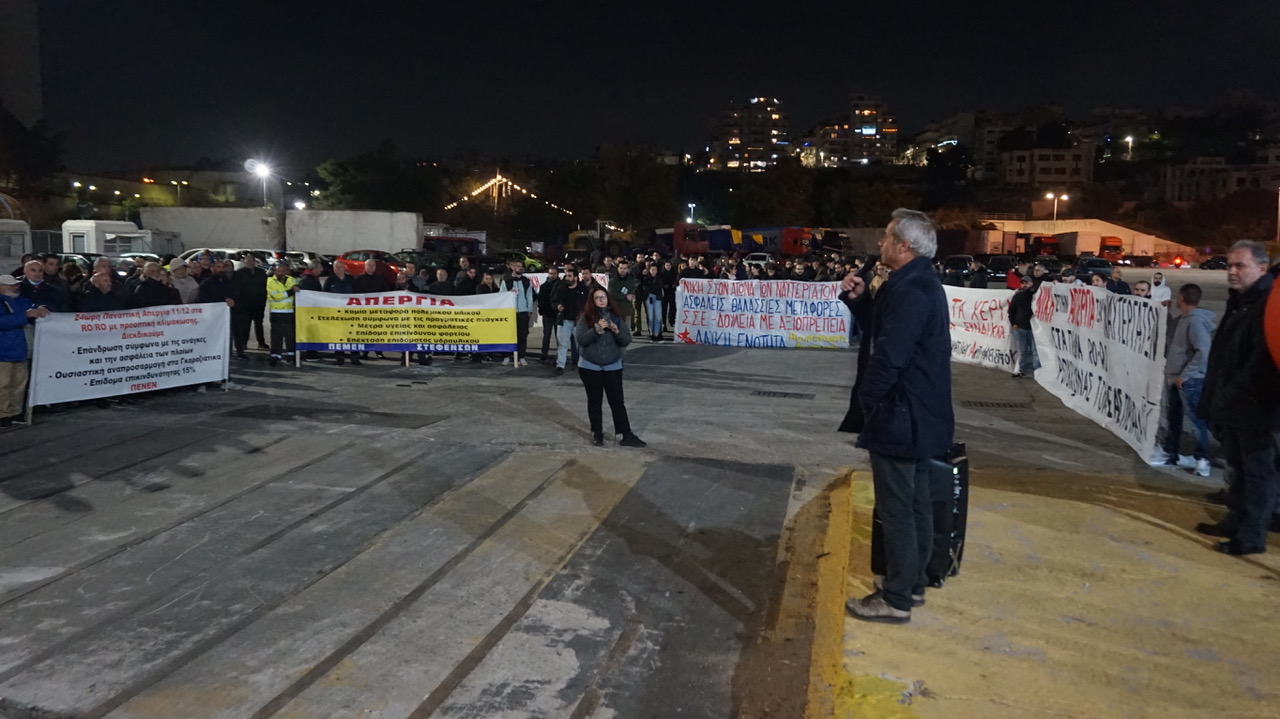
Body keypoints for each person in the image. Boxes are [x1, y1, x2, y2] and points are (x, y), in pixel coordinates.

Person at [840, 209, 954, 624]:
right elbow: (882, 328)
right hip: (919, 414)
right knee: (916, 502)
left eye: (887, 237)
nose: (881, 243)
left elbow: (890, 355)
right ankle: (913, 582)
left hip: (902, 415)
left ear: (904, 246)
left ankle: (896, 597)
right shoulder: (914, 282)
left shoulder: (911, 290)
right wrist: (859, 300)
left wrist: (870, 401)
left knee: (897, 509)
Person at [1195, 240, 1279, 555]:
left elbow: (1263, 363)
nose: (1232, 271)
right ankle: (1234, 521)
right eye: (1229, 265)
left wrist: (1233, 394)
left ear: (1262, 268)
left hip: (1256, 407)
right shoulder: (1241, 301)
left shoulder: (1268, 306)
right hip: (1233, 403)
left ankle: (1252, 536)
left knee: (1258, 473)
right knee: (1238, 468)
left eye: (1240, 265)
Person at [1154, 283, 1215, 476]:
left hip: (1189, 381)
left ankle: (1202, 460)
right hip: (1176, 379)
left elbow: (1203, 352)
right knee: (1174, 419)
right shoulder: (1183, 319)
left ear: (1182, 298)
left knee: (1196, 422)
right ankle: (1171, 454)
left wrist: (1184, 376)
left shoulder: (1195, 322)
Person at [574, 286, 645, 447]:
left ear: (608, 299)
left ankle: (626, 434)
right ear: (592, 301)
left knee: (617, 401)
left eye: (603, 297)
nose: (601, 300)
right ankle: (597, 433)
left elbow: (626, 340)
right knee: (595, 401)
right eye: (597, 298)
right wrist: (596, 329)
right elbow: (581, 339)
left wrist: (617, 331)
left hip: (612, 365)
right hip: (590, 366)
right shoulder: (585, 317)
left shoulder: (616, 317)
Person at [0, 274, 50, 427]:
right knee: (3, 385)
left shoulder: (21, 301)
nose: (15, 287)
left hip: (20, 349)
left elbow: (34, 307)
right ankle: (3, 414)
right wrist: (25, 315)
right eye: (11, 285)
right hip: (4, 351)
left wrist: (42, 308)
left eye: (16, 285)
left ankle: (15, 412)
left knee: (19, 384)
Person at [551, 264, 588, 376]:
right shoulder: (560, 288)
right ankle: (560, 365)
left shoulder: (583, 289)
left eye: (569, 276)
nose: (567, 278)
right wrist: (557, 306)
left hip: (579, 321)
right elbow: (553, 300)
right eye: (566, 275)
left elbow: (587, 304)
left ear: (576, 277)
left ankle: (583, 364)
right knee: (562, 345)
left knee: (580, 344)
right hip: (564, 321)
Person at [323, 260, 360, 366]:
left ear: (344, 268)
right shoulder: (330, 280)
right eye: (336, 267)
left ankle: (355, 358)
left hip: (350, 313)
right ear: (333, 269)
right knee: (338, 336)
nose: (338, 269)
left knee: (353, 335)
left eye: (340, 267)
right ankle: (339, 358)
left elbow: (358, 294)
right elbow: (324, 296)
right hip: (336, 313)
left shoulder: (351, 279)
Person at [230, 254, 269, 356]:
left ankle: (261, 342)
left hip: (258, 303)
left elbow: (265, 287)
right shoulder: (239, 273)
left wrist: (263, 300)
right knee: (245, 325)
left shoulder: (261, 272)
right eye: (248, 261)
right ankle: (244, 343)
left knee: (259, 324)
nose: (250, 263)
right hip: (245, 304)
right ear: (244, 262)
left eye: (252, 261)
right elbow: (236, 289)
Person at [499, 259, 534, 366]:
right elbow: (501, 296)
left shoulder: (526, 281)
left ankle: (521, 356)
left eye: (521, 266)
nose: (520, 268)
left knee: (522, 336)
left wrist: (529, 310)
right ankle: (507, 356)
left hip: (523, 312)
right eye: (517, 266)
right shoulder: (506, 281)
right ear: (513, 267)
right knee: (508, 335)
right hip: (510, 312)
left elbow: (529, 296)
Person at [265, 262, 298, 367]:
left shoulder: (292, 280)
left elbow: (297, 289)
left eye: (283, 271)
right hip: (276, 313)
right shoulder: (270, 281)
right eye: (279, 271)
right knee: (276, 336)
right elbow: (276, 297)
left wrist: (292, 290)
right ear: (275, 271)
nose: (281, 273)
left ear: (287, 271)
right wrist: (291, 291)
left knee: (290, 336)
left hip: (289, 312)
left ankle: (291, 356)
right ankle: (275, 356)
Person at [1009, 274, 1040, 378]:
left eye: (1026, 283)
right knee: (1022, 351)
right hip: (1020, 328)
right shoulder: (1017, 296)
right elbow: (1011, 311)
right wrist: (1013, 323)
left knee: (1035, 351)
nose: (1024, 285)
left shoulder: (1035, 295)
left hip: (1033, 328)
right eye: (1022, 283)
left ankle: (1037, 372)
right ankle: (1021, 370)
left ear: (1031, 283)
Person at [536, 266, 562, 361]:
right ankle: (544, 354)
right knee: (546, 336)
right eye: (551, 273)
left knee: (559, 337)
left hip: (558, 314)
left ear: (558, 274)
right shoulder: (544, 286)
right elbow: (541, 300)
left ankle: (560, 355)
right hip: (547, 315)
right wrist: (542, 310)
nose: (552, 275)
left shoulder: (561, 286)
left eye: (554, 274)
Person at [609, 259, 639, 335]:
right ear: (618, 268)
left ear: (628, 269)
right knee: (614, 332)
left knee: (625, 333)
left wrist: (621, 296)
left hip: (627, 310)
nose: (623, 270)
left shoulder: (631, 281)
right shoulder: (612, 280)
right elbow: (612, 294)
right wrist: (625, 296)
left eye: (625, 268)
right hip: (615, 310)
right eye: (621, 268)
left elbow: (631, 294)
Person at [640, 263, 665, 341]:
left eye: (655, 270)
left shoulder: (660, 278)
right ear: (649, 270)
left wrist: (652, 289)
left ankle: (656, 334)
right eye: (652, 270)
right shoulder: (645, 278)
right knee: (650, 317)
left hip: (657, 298)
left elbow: (660, 286)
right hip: (649, 297)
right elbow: (645, 287)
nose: (654, 271)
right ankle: (651, 332)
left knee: (657, 316)